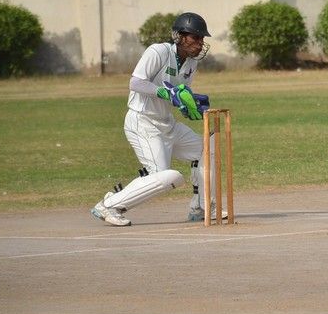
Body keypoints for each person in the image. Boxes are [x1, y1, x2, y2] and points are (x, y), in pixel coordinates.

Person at [90, 12, 227, 226]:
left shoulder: (192, 63)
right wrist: (163, 92)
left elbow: (179, 93)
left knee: (207, 147)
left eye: (202, 38)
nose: (201, 43)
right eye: (196, 37)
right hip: (143, 122)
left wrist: (189, 105)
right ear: (180, 36)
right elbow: (136, 83)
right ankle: (109, 205)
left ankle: (202, 206)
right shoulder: (158, 51)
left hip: (167, 123)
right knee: (166, 177)